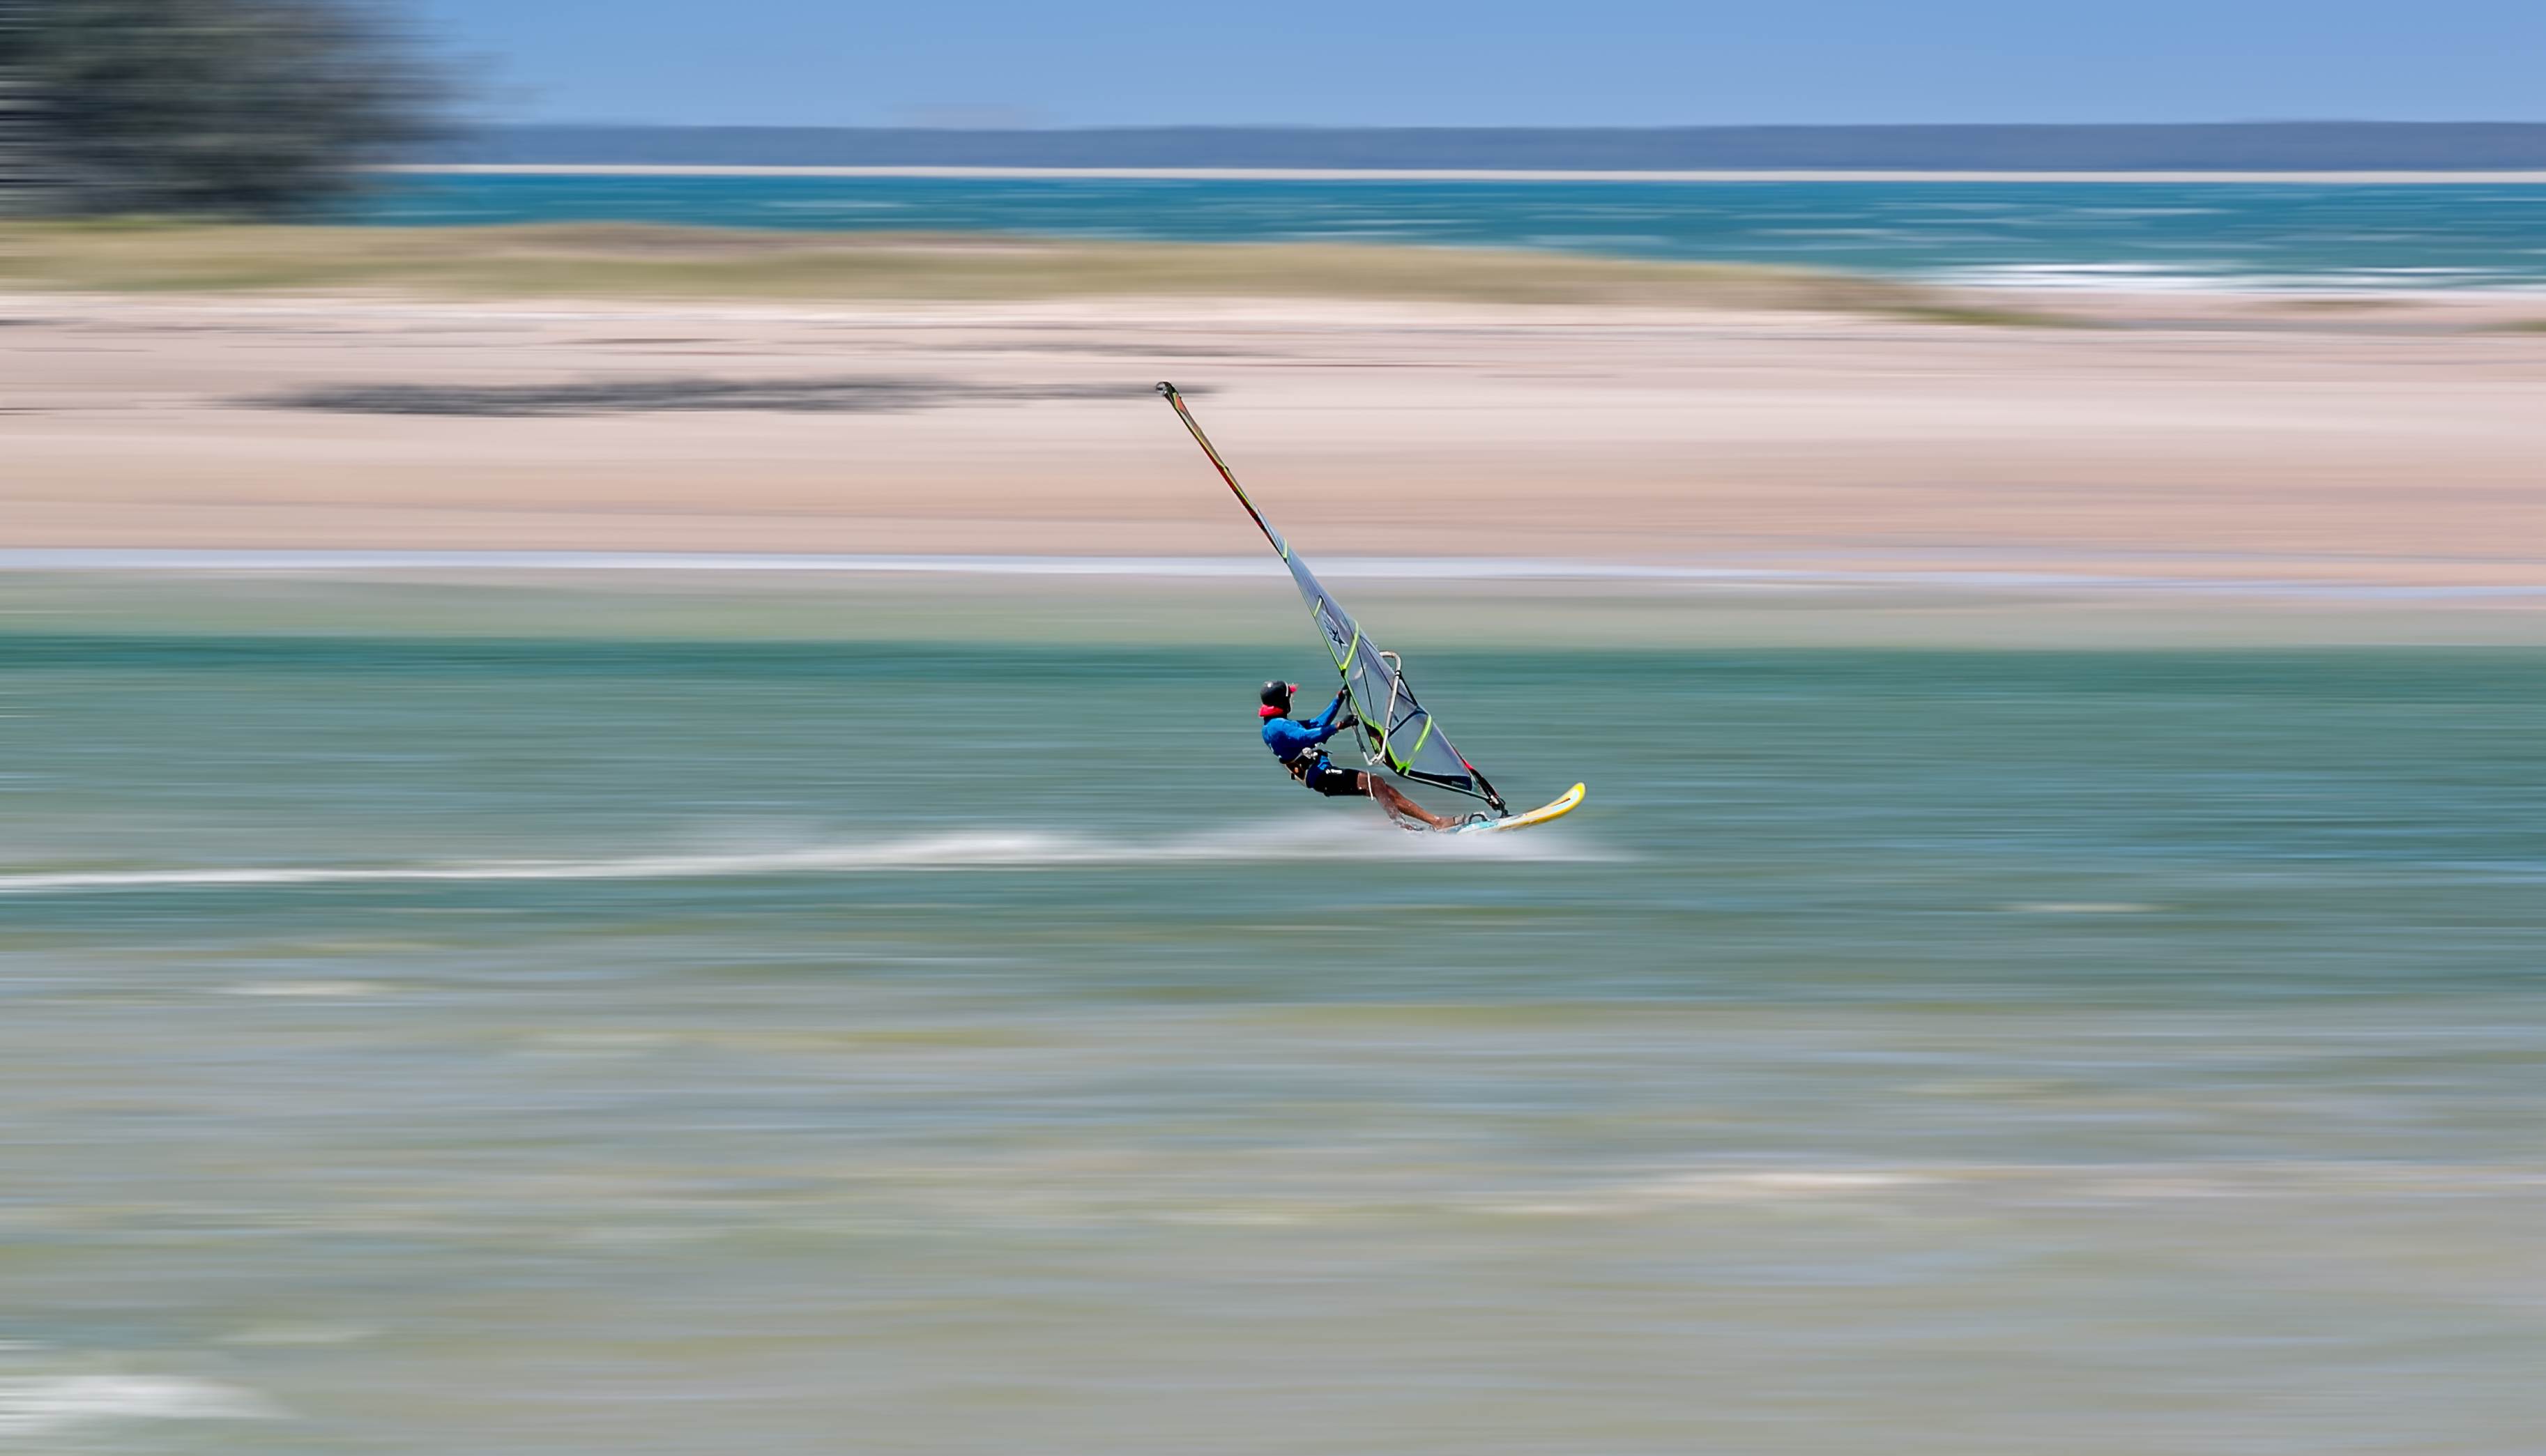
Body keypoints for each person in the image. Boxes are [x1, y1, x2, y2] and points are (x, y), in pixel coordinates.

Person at [1257, 679, 1455, 830]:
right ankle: (1403, 828)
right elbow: (1306, 737)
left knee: (1382, 788)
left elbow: (1317, 723)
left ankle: (1436, 822)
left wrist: (1339, 698)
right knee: (1375, 783)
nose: (1292, 700)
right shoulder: (1277, 728)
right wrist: (1339, 726)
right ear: (1282, 701)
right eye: (1289, 697)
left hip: (1319, 774)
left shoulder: (1277, 724)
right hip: (1320, 776)